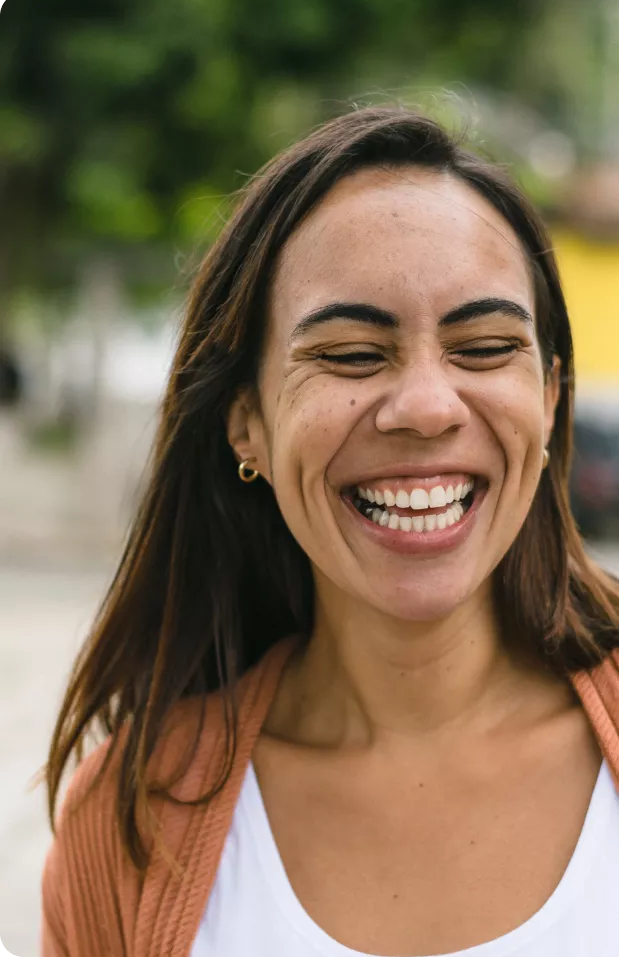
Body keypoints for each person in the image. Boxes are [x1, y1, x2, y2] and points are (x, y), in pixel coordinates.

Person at [42, 107, 619, 957]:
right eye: (351, 354)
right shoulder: (126, 818)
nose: (425, 406)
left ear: (548, 395)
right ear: (247, 423)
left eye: (486, 345)